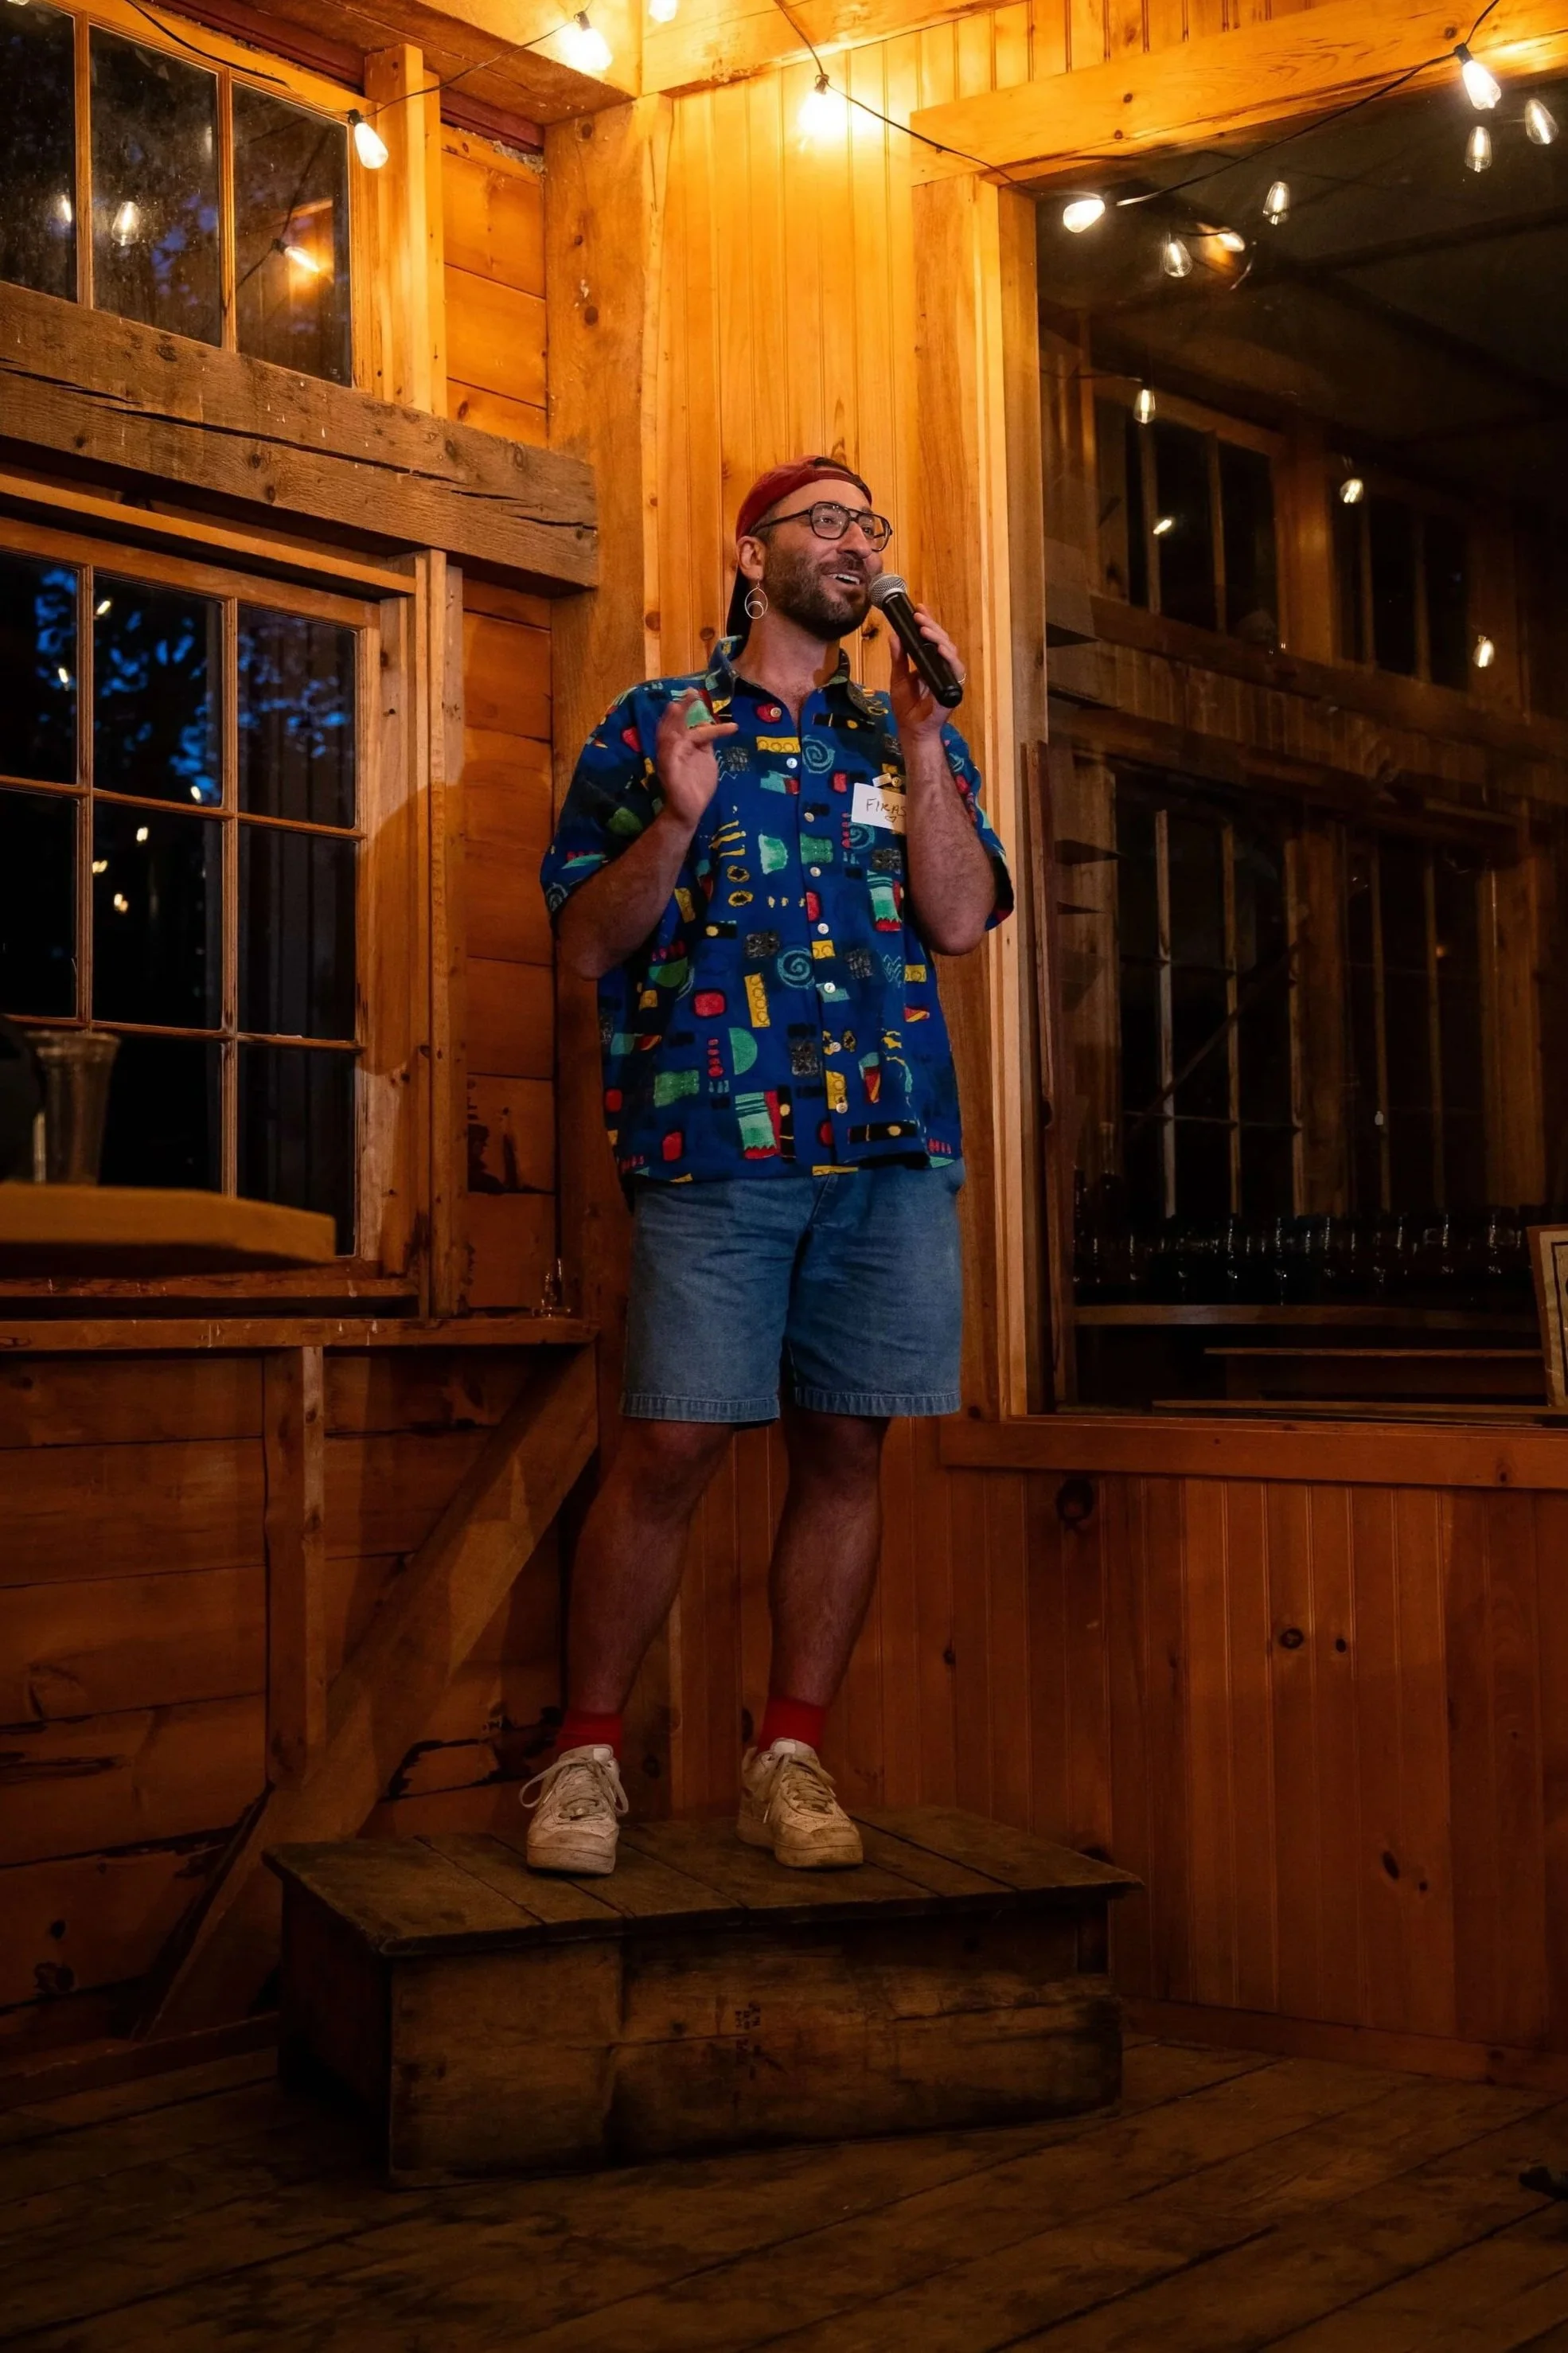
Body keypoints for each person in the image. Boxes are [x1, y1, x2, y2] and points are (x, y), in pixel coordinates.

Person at [529, 455, 1012, 1876]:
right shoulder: (654, 725)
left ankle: (788, 1755)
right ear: (753, 557)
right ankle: (584, 1761)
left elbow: (963, 919)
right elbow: (582, 943)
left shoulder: (899, 732)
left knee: (847, 1444)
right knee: (672, 1443)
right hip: (713, 1135)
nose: (856, 542)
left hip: (889, 1144)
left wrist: (927, 747)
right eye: (826, 521)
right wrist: (677, 820)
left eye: (872, 524)